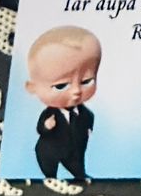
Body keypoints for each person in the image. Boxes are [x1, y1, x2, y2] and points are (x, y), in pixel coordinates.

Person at [25, 24, 102, 180]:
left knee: (78, 167)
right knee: (49, 170)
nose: (76, 91)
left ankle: (80, 175)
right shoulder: (50, 114)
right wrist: (47, 126)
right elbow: (41, 128)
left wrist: (89, 128)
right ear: (33, 88)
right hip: (50, 150)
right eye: (61, 86)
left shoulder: (84, 113)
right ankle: (50, 177)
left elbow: (88, 117)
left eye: (86, 81)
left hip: (74, 149)